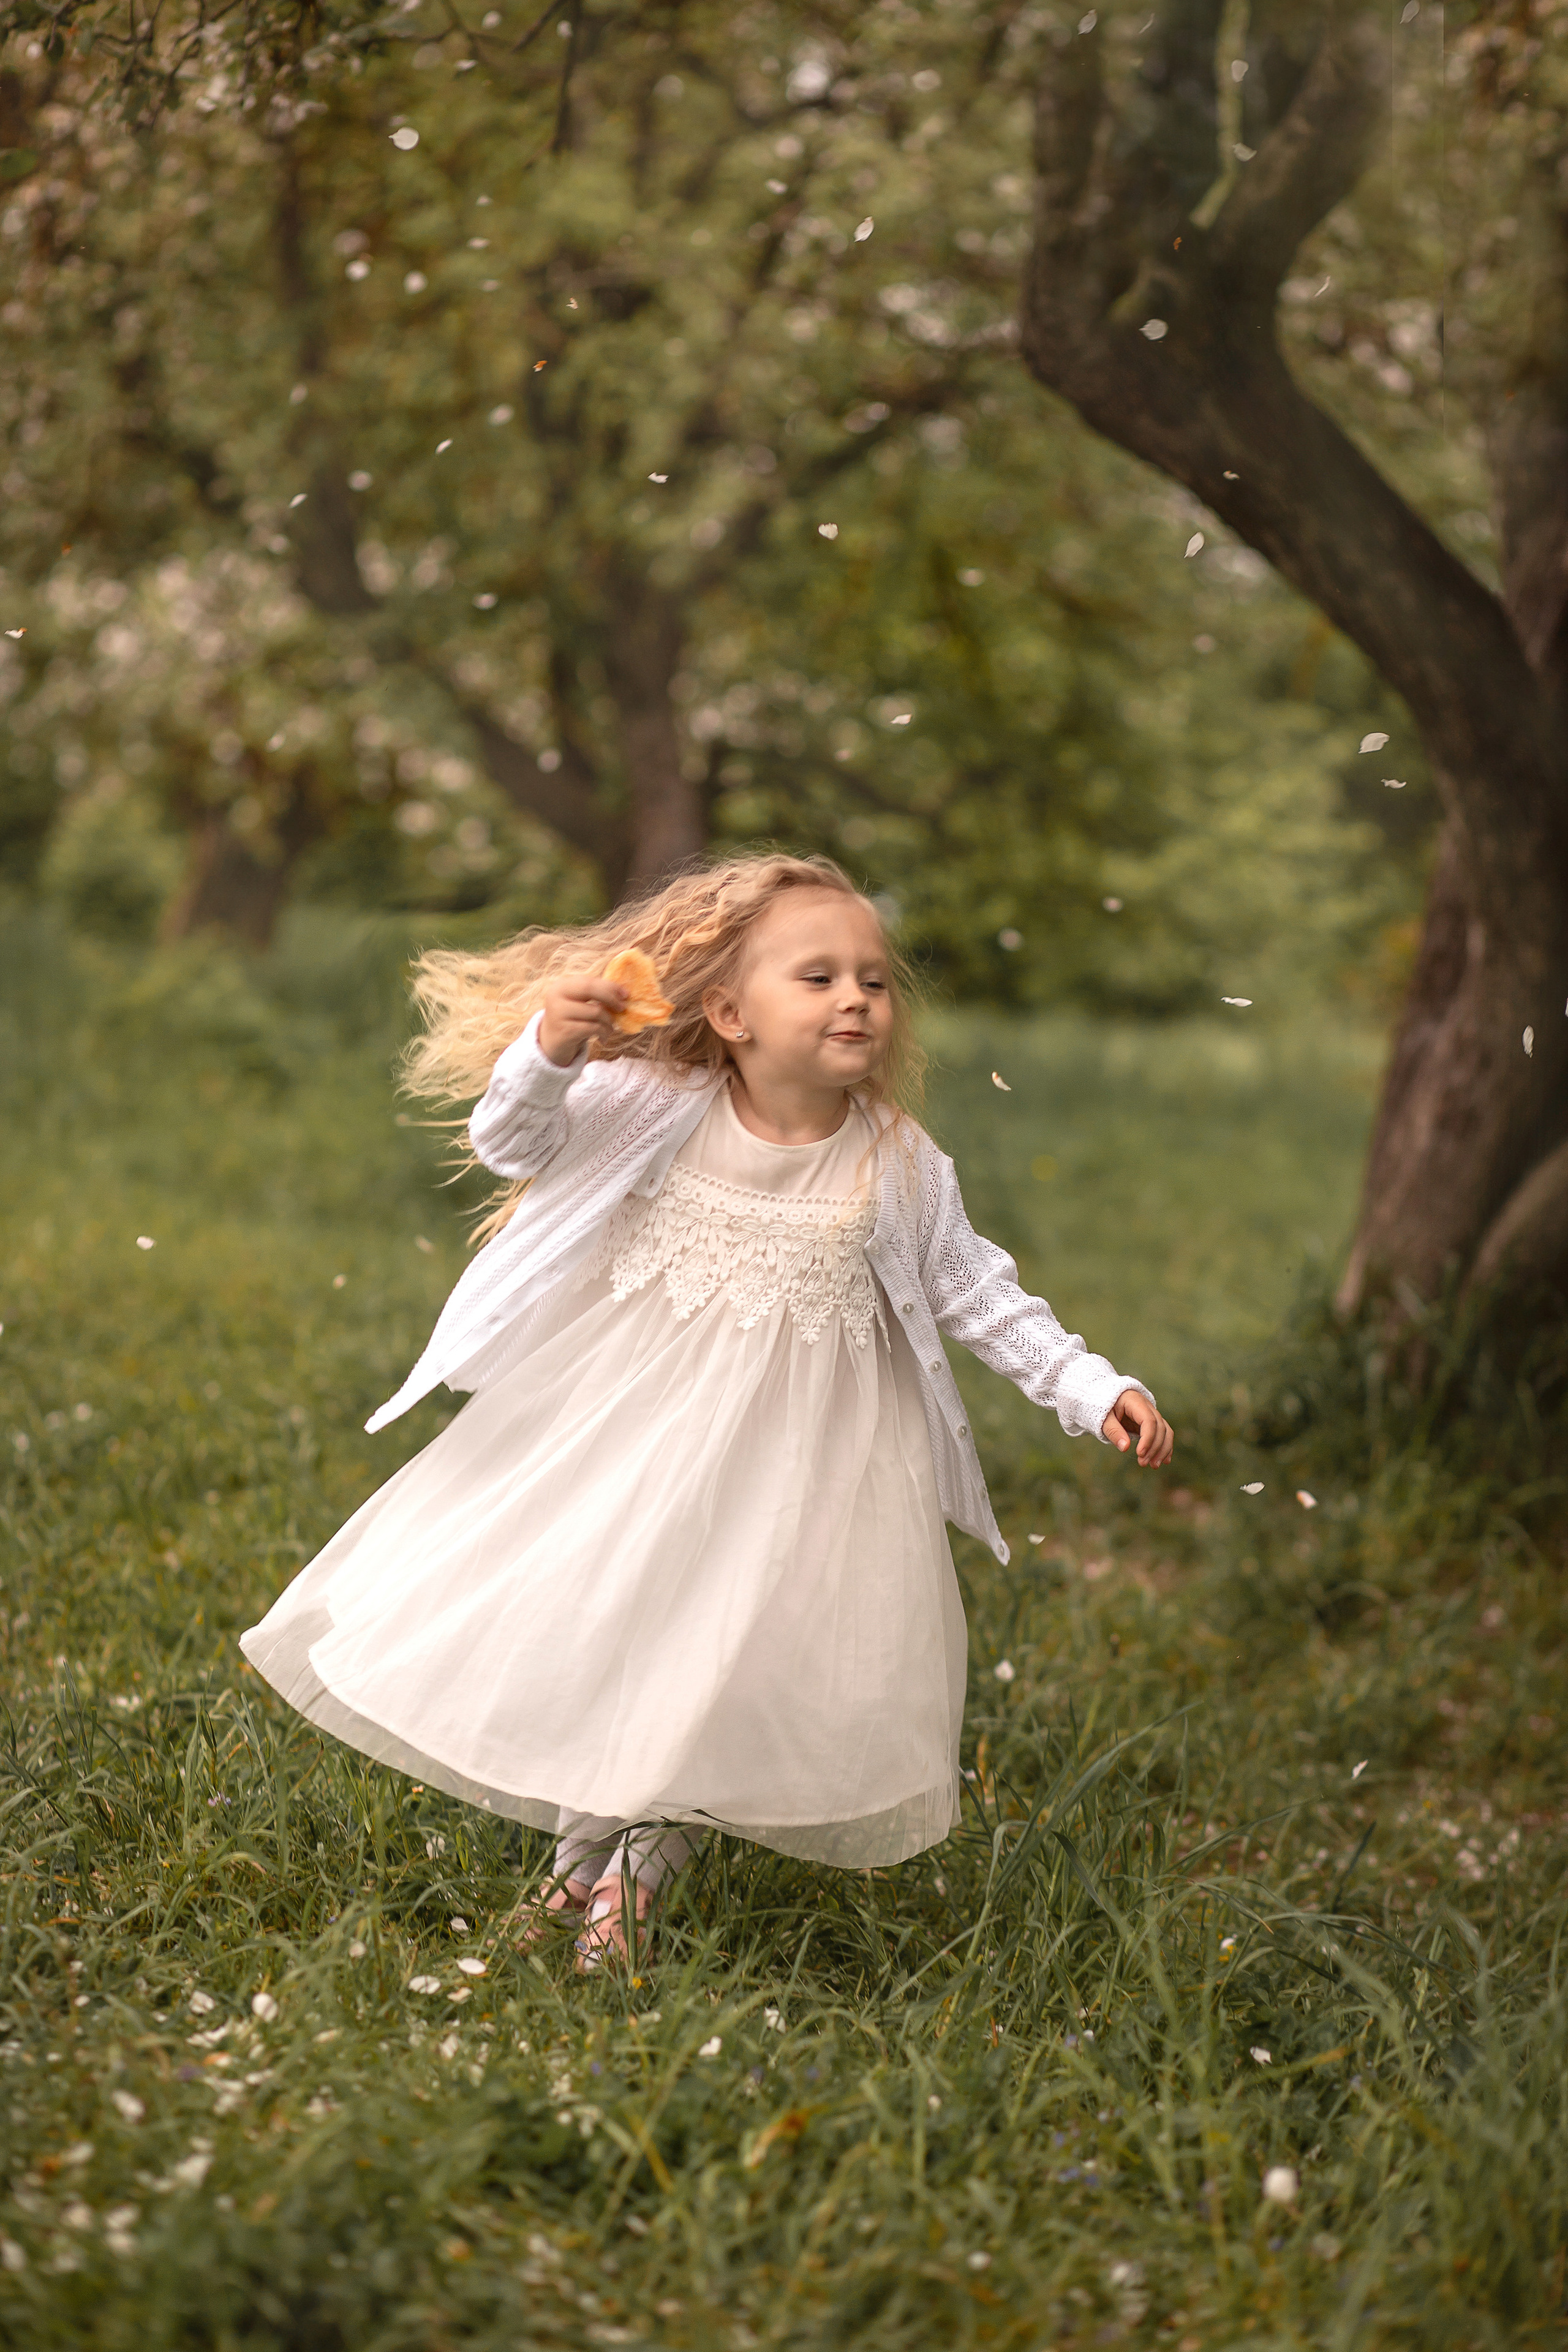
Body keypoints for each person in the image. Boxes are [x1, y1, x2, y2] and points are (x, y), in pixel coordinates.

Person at [241, 852, 1172, 1967]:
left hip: (804, 1465)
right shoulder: (651, 1106)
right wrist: (548, 1054)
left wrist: (1089, 1385)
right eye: (817, 978)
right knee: (633, 1634)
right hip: (632, 1435)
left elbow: (976, 1290)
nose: (856, 1001)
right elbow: (514, 1143)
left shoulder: (901, 1163)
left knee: (723, 1658)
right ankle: (579, 1864)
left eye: (873, 981)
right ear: (729, 1012)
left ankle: (635, 1876)